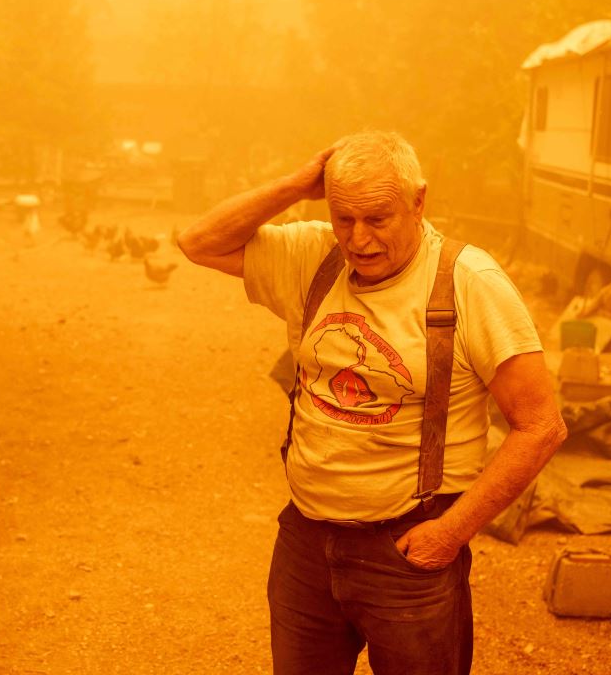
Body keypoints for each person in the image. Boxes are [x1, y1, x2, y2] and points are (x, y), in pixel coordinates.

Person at [177, 131, 566, 675]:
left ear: (418, 202)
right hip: (306, 543)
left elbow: (541, 425)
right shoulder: (314, 254)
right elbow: (199, 242)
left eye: (378, 219)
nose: (358, 239)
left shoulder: (468, 281)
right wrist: (297, 184)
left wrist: (449, 534)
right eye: (344, 219)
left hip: (409, 551)